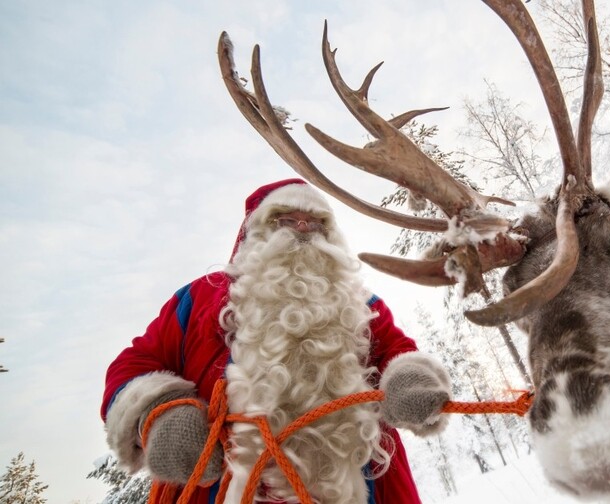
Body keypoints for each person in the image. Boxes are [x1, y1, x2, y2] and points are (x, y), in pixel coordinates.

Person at [101, 179, 452, 503]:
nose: (303, 228)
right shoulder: (198, 299)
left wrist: (411, 379)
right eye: (286, 220)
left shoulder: (363, 307)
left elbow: (400, 353)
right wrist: (160, 414)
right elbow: (135, 364)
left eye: (316, 223)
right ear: (253, 233)